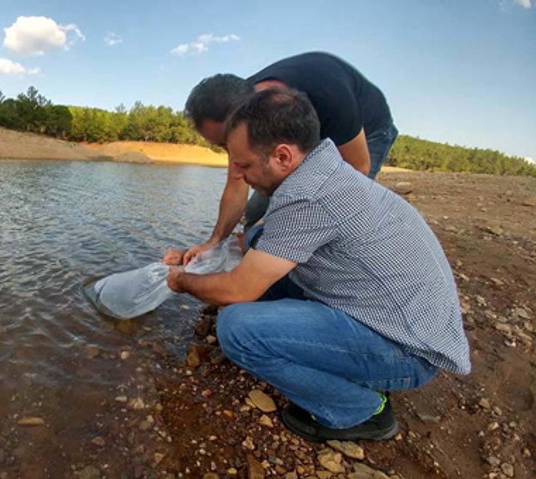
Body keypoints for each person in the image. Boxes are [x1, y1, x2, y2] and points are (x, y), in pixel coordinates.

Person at [165, 87, 470, 442]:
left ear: (282, 156)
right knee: (257, 244)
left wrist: (183, 281)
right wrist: (206, 254)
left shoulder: (306, 197)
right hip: (411, 322)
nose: (239, 175)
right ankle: (339, 363)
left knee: (237, 329)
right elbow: (255, 243)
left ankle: (360, 410)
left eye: (244, 165)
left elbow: (237, 290)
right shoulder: (322, 171)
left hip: (409, 352)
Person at [165, 52, 398, 266]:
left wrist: (284, 227)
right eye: (222, 146)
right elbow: (236, 182)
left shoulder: (326, 92)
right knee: (257, 211)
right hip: (298, 134)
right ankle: (250, 268)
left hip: (364, 134)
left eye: (227, 142)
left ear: (247, 118)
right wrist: (214, 242)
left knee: (321, 214)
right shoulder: (234, 105)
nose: (229, 152)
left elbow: (358, 167)